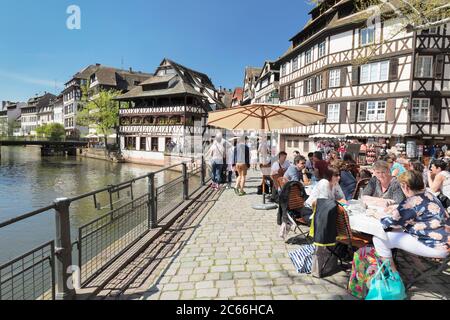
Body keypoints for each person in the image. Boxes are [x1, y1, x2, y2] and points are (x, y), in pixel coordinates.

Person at [372, 171, 450, 272]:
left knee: (379, 239)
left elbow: (389, 223)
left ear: (405, 186)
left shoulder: (411, 201)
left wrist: (374, 214)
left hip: (437, 247)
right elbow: (418, 210)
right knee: (400, 231)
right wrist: (397, 208)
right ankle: (419, 266)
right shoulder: (429, 194)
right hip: (446, 242)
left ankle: (394, 276)